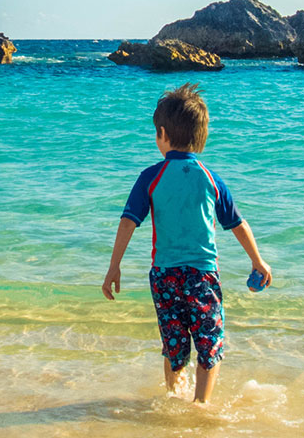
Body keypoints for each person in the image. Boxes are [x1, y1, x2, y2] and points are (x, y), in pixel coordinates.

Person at [101, 83, 273, 404]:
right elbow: (236, 223)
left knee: (174, 343)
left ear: (162, 134)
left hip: (164, 275)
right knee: (209, 342)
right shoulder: (210, 177)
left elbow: (128, 222)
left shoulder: (150, 176)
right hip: (202, 275)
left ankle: (173, 398)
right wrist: (257, 261)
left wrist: (114, 267)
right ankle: (201, 406)